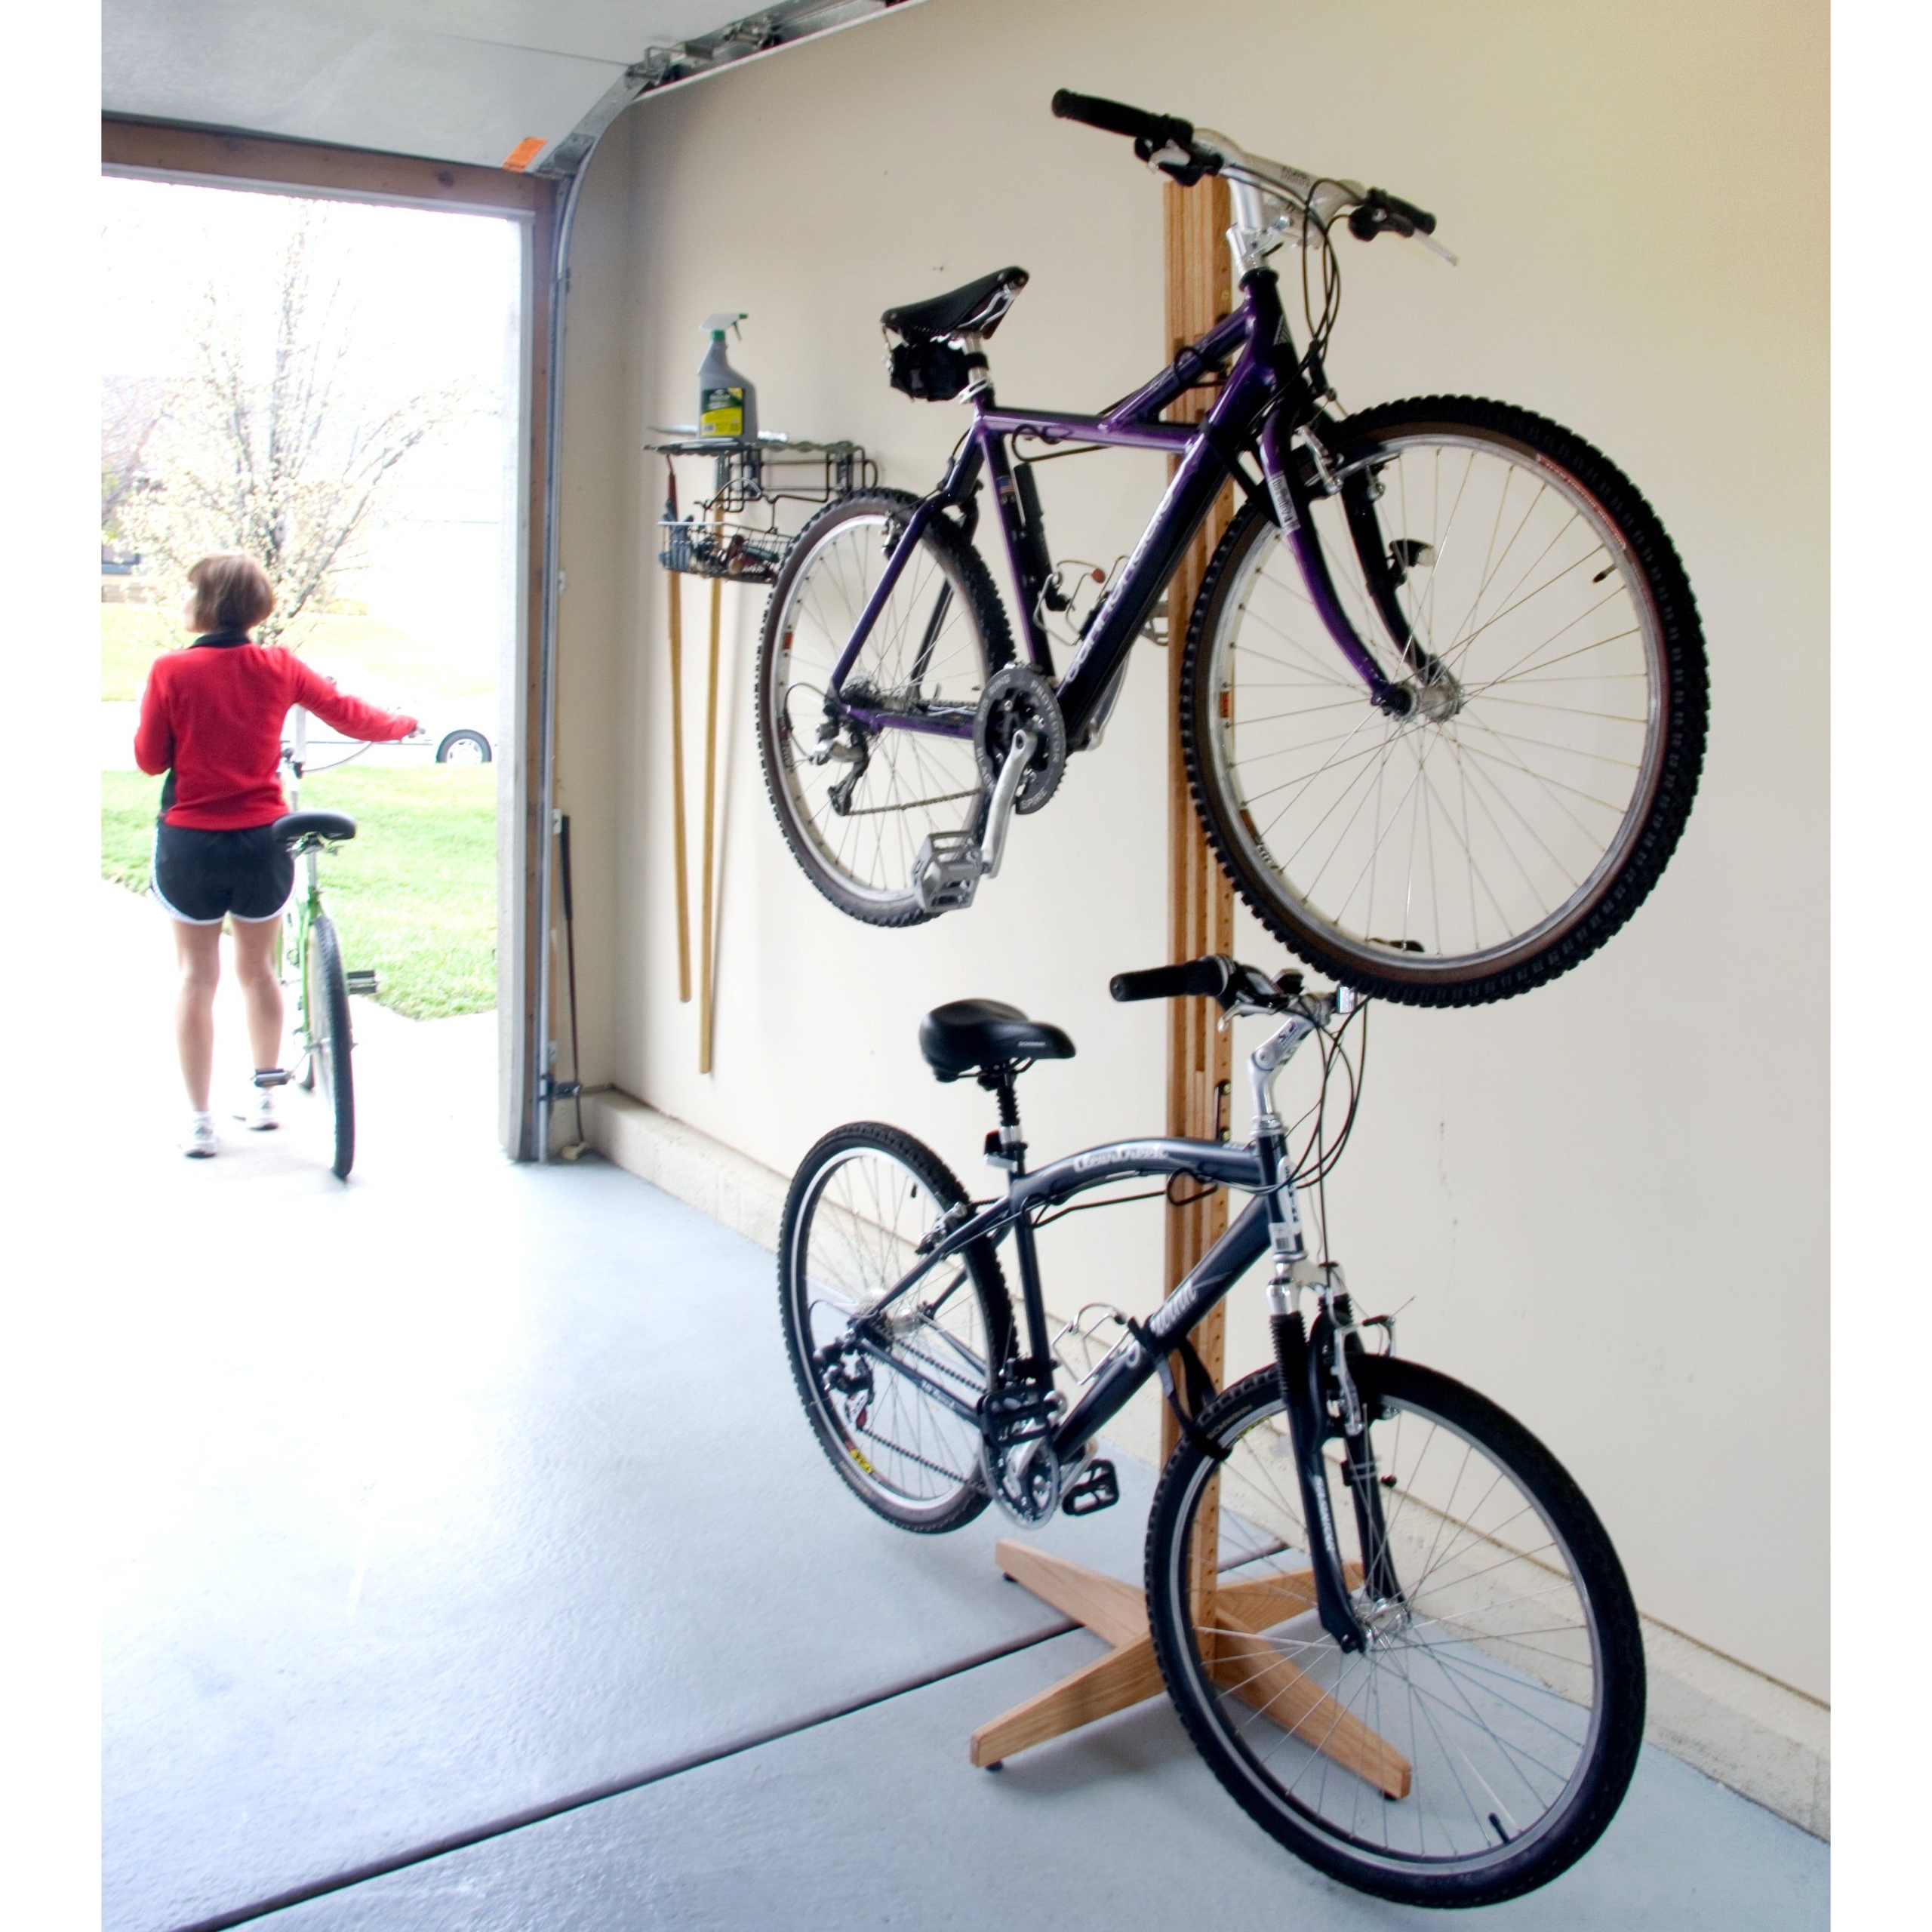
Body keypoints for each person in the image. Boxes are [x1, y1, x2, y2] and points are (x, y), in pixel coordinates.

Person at [134, 554, 417, 1158]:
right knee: (259, 971)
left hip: (191, 844)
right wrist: (402, 725)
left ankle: (200, 1123)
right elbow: (351, 715)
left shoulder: (170, 672)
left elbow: (150, 760)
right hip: (262, 841)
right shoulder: (279, 666)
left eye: (190, 592)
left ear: (207, 604)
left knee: (195, 977)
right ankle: (266, 1099)